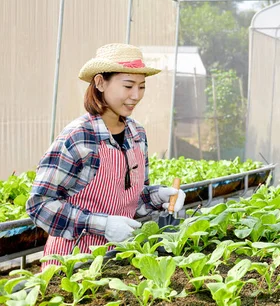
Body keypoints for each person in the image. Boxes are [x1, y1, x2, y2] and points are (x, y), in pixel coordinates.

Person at [27, 43, 186, 268]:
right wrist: (102, 225)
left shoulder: (136, 134)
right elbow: (39, 205)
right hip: (73, 263)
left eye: (142, 87)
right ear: (101, 82)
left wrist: (157, 197)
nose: (136, 95)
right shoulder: (79, 137)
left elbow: (128, 201)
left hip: (120, 259)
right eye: (128, 85)